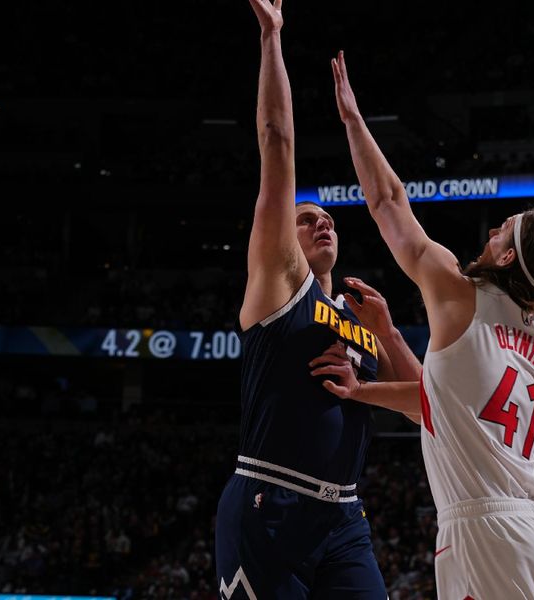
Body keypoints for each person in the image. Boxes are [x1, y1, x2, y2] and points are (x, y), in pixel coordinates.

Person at [311, 51, 534, 598]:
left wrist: (353, 121)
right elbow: (442, 408)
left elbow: (387, 201)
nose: (497, 227)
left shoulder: (463, 293)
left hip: (488, 534)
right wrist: (370, 372)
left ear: (507, 259)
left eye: (506, 229)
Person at [215, 4, 421, 599]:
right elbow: (277, 142)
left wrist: (391, 335)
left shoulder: (359, 319)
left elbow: (420, 410)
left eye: (329, 217)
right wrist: (272, 38)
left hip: (345, 517)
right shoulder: (281, 285)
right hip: (268, 500)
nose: (322, 222)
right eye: (307, 219)